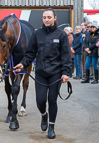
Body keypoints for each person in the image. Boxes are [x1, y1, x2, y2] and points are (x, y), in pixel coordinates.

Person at [14, 8, 71, 139]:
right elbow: (30, 53)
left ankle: (51, 126)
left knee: (52, 99)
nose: (46, 19)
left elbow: (66, 55)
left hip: (56, 73)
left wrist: (65, 72)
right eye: (44, 17)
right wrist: (23, 64)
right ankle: (44, 115)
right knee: (40, 101)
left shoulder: (61, 34)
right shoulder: (37, 34)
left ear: (55, 18)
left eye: (49, 17)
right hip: (40, 72)